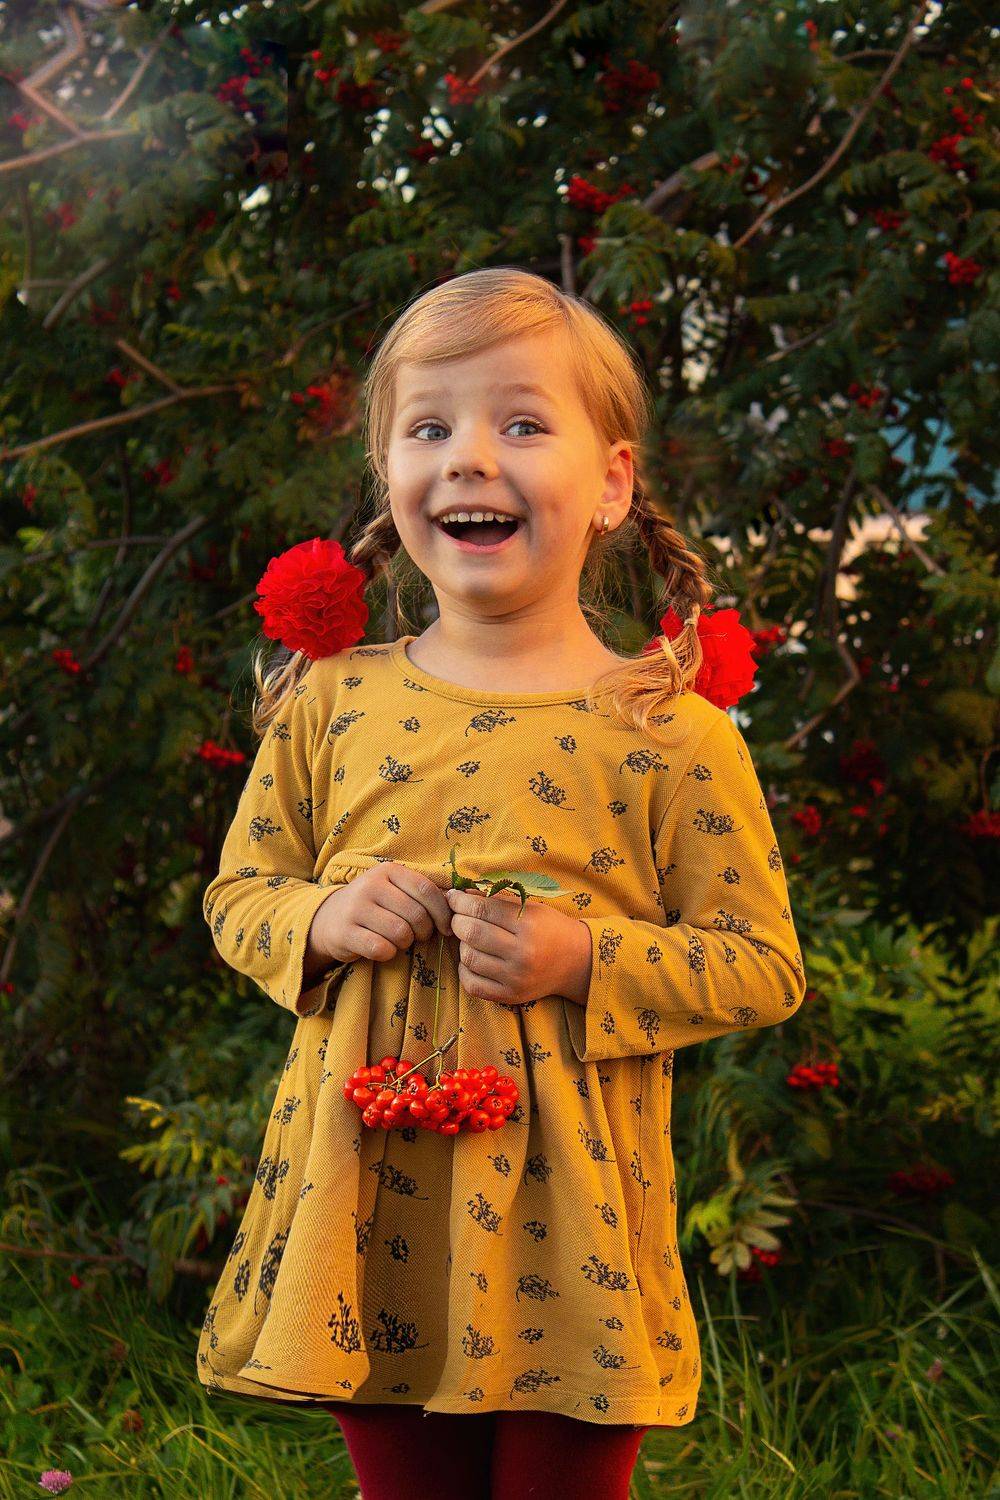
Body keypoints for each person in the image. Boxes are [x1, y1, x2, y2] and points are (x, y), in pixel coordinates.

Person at [196, 267, 808, 1498]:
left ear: (613, 485)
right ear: (388, 474)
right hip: (375, 1212)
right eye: (429, 429)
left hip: (572, 1233)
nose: (469, 457)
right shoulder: (333, 700)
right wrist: (322, 917)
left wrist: (582, 957)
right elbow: (239, 893)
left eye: (522, 424)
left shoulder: (666, 731)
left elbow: (759, 965)